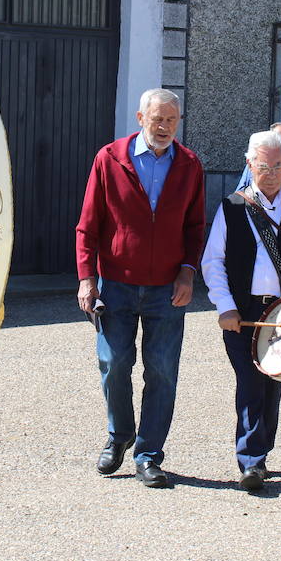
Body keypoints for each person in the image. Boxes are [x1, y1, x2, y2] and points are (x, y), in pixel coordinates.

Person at [76, 88, 206, 488]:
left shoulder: (189, 165)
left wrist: (188, 272)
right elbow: (89, 224)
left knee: (162, 372)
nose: (164, 126)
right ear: (140, 118)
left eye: (171, 120)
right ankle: (120, 436)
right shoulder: (109, 158)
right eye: (157, 119)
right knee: (114, 364)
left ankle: (148, 454)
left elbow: (195, 226)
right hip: (116, 285)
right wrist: (86, 277)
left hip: (168, 290)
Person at [202, 130, 281, 492]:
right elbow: (213, 262)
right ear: (249, 164)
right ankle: (251, 460)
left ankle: (260, 450)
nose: (273, 173)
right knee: (250, 382)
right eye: (265, 166)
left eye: (280, 165)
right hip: (243, 313)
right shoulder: (232, 207)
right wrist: (225, 307)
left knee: (273, 385)